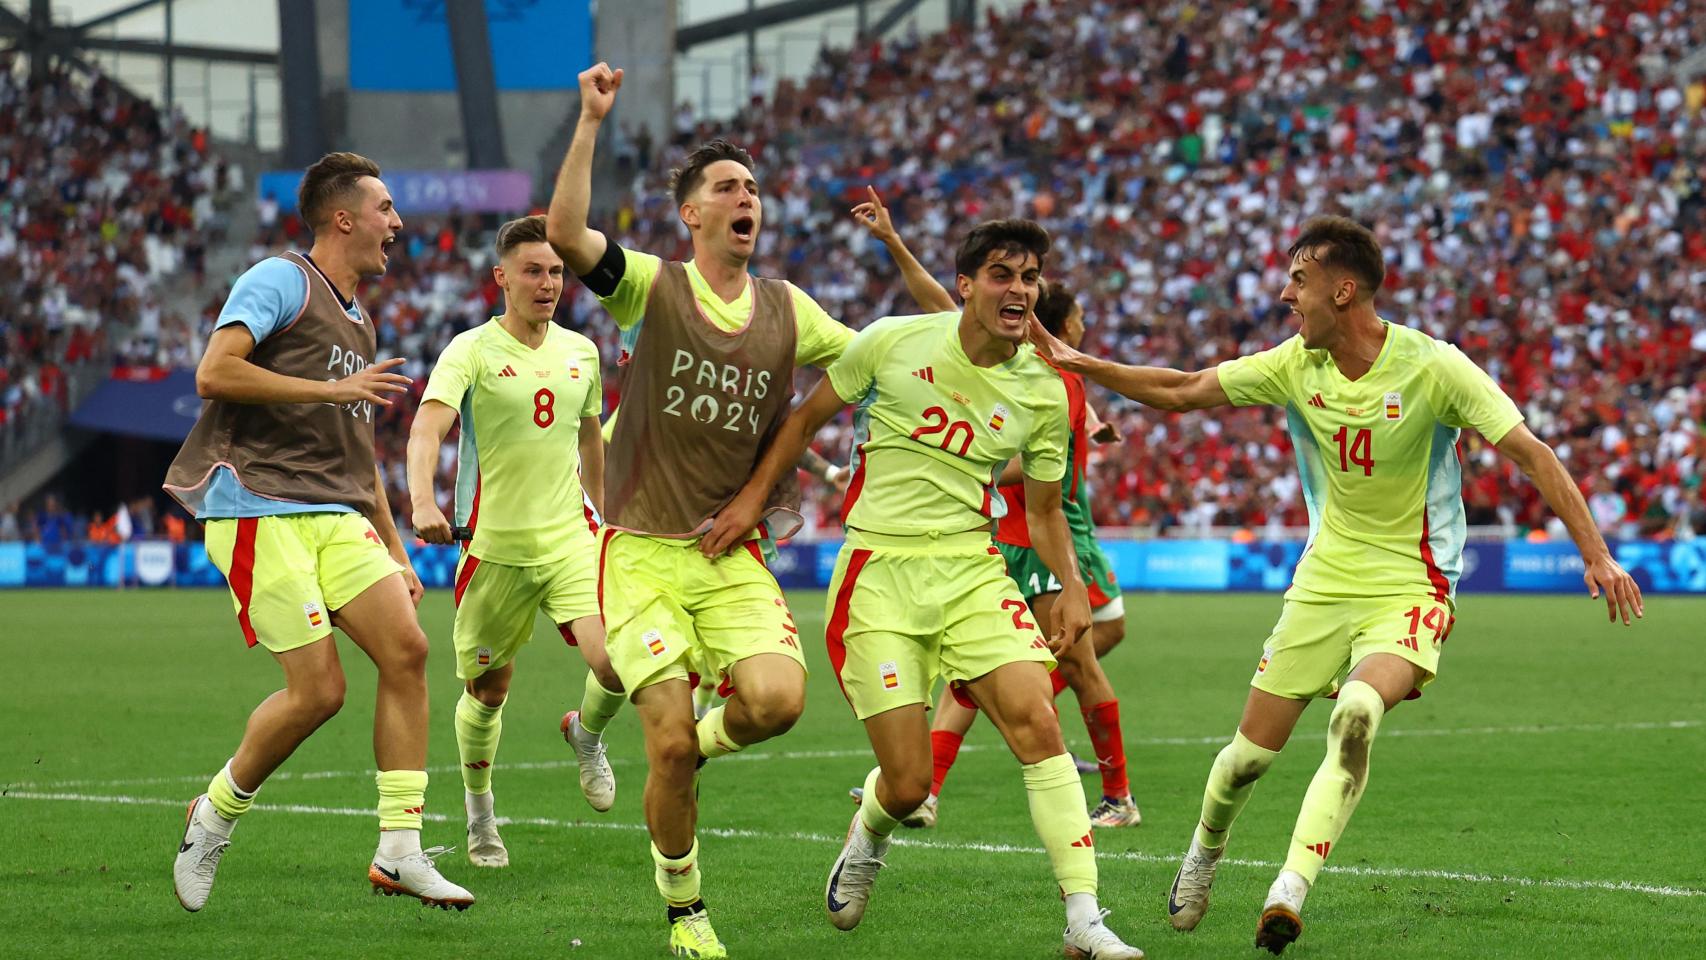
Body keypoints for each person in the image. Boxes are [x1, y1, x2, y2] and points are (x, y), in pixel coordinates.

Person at [1028, 214, 1644, 954]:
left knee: (1357, 710)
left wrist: (1597, 554)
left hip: (1411, 585)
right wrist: (1079, 363)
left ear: (1343, 290)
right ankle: (1206, 849)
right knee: (1246, 760)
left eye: (1299, 280)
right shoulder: (1296, 363)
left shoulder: (1433, 366)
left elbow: (1532, 453)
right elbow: (1184, 389)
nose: (1287, 295)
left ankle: (1289, 889)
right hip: (1323, 582)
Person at [702, 219, 1145, 959]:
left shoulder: (1045, 391)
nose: (1020, 290)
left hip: (973, 570)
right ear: (966, 285)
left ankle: (1084, 918)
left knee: (1038, 721)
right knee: (907, 785)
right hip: (880, 573)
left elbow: (1042, 509)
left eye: (1031, 278)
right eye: (1003, 274)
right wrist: (751, 501)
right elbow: (805, 419)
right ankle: (871, 830)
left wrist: (1071, 586)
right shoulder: (893, 340)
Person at [546, 62, 854, 959]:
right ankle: (685, 908)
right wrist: (590, 120)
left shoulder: (792, 311)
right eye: (727, 187)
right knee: (669, 747)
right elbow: (566, 232)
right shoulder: (654, 288)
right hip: (640, 550)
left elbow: (872, 362)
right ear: (693, 214)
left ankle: (688, 747)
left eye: (753, 188)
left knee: (779, 701)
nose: (745, 197)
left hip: (729, 552)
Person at [162, 152, 473, 913]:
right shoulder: (281, 280)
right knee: (320, 691)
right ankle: (214, 815)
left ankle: (399, 850)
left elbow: (357, 454)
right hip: (255, 508)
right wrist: (328, 386)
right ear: (343, 218)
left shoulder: (362, 321)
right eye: (386, 209)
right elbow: (214, 371)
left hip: (334, 513)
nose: (397, 225)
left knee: (408, 649)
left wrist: (398, 553)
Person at [844, 193, 1138, 829]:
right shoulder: (1020, 365)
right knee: (1048, 665)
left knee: (1074, 654)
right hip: (1006, 537)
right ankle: (944, 784)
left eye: (1029, 281)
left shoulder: (1053, 379)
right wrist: (894, 243)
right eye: (1079, 318)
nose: (1019, 293)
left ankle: (1104, 789)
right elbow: (938, 307)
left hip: (1043, 533)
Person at [406, 214, 621, 870]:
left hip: (569, 539)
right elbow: (426, 431)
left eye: (557, 272)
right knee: (488, 693)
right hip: (493, 548)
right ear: (502, 277)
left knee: (617, 661)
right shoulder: (469, 350)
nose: (549, 282)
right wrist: (421, 499)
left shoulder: (582, 352)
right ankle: (479, 814)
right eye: (534, 270)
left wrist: (609, 523)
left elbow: (591, 443)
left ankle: (585, 735)